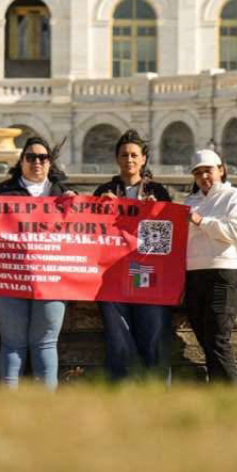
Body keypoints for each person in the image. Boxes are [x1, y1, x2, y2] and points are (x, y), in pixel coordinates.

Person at [0, 136, 76, 390]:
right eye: (31, 157)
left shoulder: (64, 193)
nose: (37, 162)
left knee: (45, 343)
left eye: (43, 157)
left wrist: (77, 202)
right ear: (21, 161)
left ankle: (45, 411)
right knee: (13, 343)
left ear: (50, 163)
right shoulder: (1, 192)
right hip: (8, 278)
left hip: (52, 279)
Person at [92, 130, 176, 382]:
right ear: (117, 159)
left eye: (134, 155)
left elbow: (167, 239)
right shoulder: (104, 190)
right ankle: (122, 389)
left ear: (144, 159)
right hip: (112, 275)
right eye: (124, 155)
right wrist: (98, 208)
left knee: (152, 334)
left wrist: (157, 212)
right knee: (118, 336)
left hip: (144, 271)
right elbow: (90, 234)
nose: (129, 159)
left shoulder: (158, 191)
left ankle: (156, 389)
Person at [183, 148, 237, 383]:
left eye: (208, 171)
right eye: (198, 173)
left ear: (221, 170)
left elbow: (234, 232)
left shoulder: (236, 196)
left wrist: (201, 221)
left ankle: (229, 396)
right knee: (207, 340)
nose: (204, 177)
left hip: (224, 273)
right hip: (193, 276)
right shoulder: (190, 201)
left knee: (217, 339)